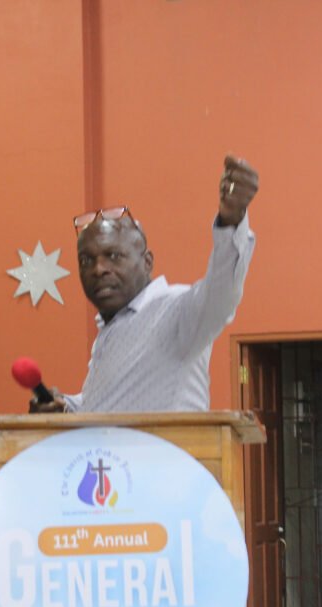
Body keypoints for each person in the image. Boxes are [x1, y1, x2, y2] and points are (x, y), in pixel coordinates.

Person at [31, 154, 258, 413]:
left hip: (168, 453)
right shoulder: (112, 327)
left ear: (147, 262)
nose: (99, 269)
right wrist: (67, 406)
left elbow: (221, 294)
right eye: (86, 260)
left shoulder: (175, 310)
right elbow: (116, 404)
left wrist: (231, 221)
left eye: (113, 256)